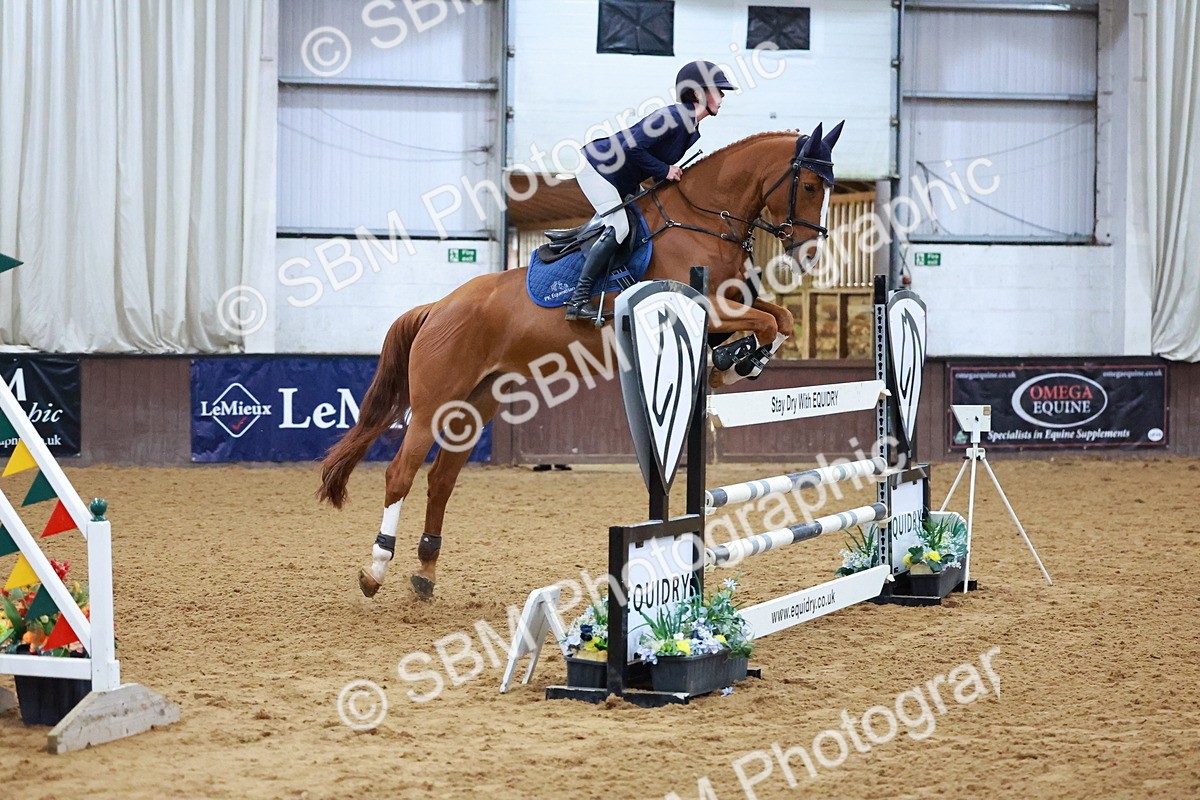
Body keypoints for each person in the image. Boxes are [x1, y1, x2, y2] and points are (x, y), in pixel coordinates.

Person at [564, 60, 737, 320]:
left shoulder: (691, 128)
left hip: (621, 178)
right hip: (598, 169)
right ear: (699, 93)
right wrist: (665, 170)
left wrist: (664, 174)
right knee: (619, 227)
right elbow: (634, 146)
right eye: (718, 90)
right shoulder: (673, 116)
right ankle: (577, 301)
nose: (723, 97)